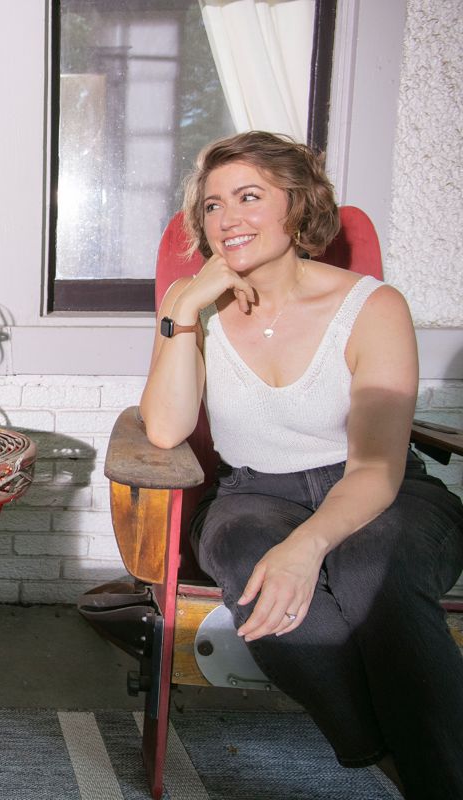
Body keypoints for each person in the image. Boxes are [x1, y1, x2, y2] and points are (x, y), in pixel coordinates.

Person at [139, 130, 463, 798]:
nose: (228, 218)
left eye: (250, 197)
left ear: (299, 205)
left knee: (373, 569)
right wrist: (182, 312)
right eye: (212, 205)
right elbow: (167, 426)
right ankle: (402, 762)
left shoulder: (372, 307)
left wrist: (307, 547)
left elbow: (376, 467)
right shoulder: (198, 309)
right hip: (254, 493)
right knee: (252, 561)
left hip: (382, 489)